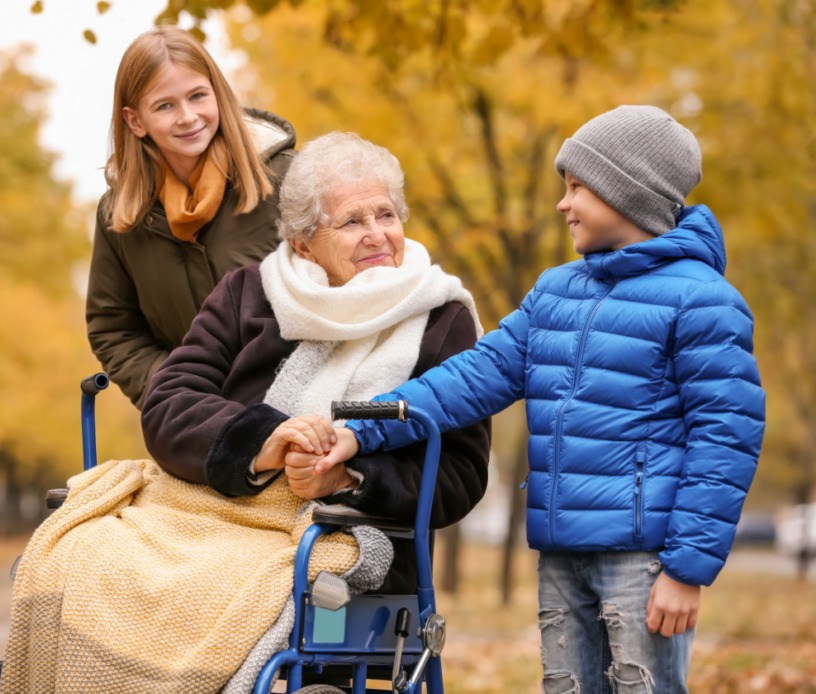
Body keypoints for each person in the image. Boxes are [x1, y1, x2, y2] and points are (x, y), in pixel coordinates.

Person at [313, 107, 766, 693]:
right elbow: (472, 377)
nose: (563, 203)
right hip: (560, 553)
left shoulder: (703, 301)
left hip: (645, 558)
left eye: (577, 187)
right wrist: (364, 431)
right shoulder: (555, 292)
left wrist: (686, 568)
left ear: (629, 195)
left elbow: (726, 435)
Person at [141, 131, 492, 593]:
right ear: (304, 244)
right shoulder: (248, 292)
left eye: (386, 214)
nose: (377, 235)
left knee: (242, 588)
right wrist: (265, 442)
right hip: (218, 518)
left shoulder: (442, 316)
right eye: (350, 222)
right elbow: (168, 402)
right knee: (88, 559)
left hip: (357, 542)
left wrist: (346, 478)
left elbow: (460, 472)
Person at [87, 25, 296, 409]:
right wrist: (175, 392)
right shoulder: (119, 217)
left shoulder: (285, 179)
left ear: (217, 93)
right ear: (135, 121)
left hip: (305, 404)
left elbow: (343, 282)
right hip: (199, 424)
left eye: (197, 96)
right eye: (165, 105)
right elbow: (113, 327)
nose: (187, 116)